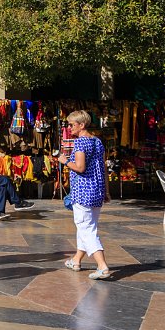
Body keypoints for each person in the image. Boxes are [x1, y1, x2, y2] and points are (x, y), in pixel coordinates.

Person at [60, 110, 112, 280]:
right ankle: (76, 260)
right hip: (96, 190)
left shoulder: (81, 143)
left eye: (71, 124)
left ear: (81, 125)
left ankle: (102, 266)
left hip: (83, 191)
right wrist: (106, 190)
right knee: (87, 227)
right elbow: (103, 167)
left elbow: (80, 168)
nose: (69, 127)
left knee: (86, 229)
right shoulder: (97, 141)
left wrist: (65, 161)